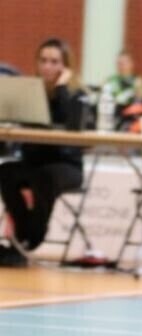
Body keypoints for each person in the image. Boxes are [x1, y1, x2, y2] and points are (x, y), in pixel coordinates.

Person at [0, 38, 84, 267]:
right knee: (6, 172)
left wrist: (62, 88)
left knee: (43, 177)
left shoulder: (76, 94)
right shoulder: (30, 91)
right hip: (35, 162)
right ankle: (20, 240)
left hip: (66, 166)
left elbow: (71, 125)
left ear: (66, 66)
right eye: (43, 61)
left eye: (54, 61)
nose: (47, 66)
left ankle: (29, 240)